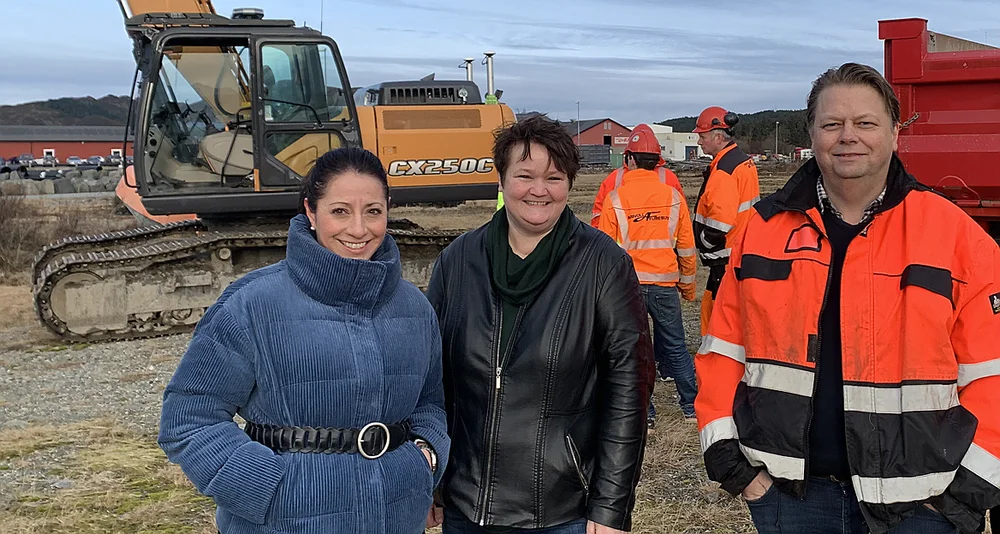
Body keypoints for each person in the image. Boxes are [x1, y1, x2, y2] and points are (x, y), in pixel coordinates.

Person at [694, 62, 1000, 534]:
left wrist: (964, 495)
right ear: (812, 133)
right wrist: (735, 467)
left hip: (922, 505)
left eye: (866, 123)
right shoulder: (761, 230)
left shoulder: (958, 237)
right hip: (792, 498)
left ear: (895, 133)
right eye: (832, 124)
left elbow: (993, 375)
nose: (847, 136)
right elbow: (723, 350)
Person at [157, 146, 450, 534]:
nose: (359, 229)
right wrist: (271, 488)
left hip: (395, 516)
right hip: (285, 522)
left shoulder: (413, 306)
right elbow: (188, 419)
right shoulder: (252, 304)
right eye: (340, 211)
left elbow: (430, 402)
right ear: (311, 212)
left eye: (373, 211)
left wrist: (425, 459)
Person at [425, 115, 655, 534]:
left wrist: (611, 508)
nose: (539, 189)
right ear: (502, 179)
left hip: (560, 508)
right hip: (465, 504)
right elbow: (432, 382)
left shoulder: (604, 266)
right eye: (525, 174)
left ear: (569, 183)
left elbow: (629, 391)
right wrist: (431, 481)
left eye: (554, 177)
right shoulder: (457, 262)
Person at [596, 125, 698, 429]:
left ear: (628, 160)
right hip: (665, 285)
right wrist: (688, 288)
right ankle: (692, 406)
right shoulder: (674, 197)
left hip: (630, 289)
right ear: (658, 161)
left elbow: (605, 254)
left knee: (636, 352)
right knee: (676, 347)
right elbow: (687, 249)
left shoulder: (615, 200)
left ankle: (646, 413)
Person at [691, 106, 760, 337]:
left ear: (718, 137)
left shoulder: (724, 171)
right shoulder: (742, 162)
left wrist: (704, 244)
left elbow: (720, 222)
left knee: (718, 321)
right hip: (740, 251)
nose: (699, 142)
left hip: (725, 257)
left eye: (702, 136)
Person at [589, 123, 683, 228]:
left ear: (630, 157)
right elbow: (682, 217)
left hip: (620, 242)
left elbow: (599, 217)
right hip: (666, 242)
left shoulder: (614, 178)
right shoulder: (669, 177)